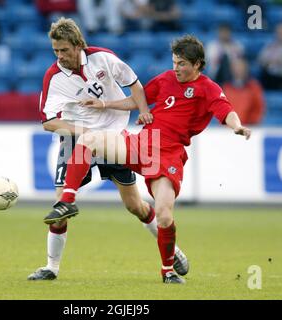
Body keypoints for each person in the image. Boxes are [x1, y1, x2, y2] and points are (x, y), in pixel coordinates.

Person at [44, 35, 252, 284]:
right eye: (174, 62)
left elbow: (225, 111)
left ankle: (168, 271)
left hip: (168, 156)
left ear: (198, 64)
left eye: (182, 63)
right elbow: (137, 99)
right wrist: (104, 103)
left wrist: (237, 126)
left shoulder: (208, 88)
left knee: (163, 214)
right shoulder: (166, 79)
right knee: (88, 140)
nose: (176, 68)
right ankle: (68, 201)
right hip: (143, 144)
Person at [27, 18, 189, 281]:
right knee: (59, 207)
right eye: (55, 50)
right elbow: (48, 122)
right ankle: (51, 267)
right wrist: (85, 132)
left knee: (135, 205)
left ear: (79, 45)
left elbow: (135, 84)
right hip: (76, 141)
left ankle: (174, 249)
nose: (60, 56)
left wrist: (145, 111)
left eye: (64, 50)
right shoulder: (53, 77)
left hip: (114, 137)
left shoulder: (103, 58)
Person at [223, 58, 265, 125]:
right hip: (228, 128)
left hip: (249, 127)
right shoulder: (226, 88)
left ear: (246, 69)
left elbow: (259, 108)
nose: (238, 70)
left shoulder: (254, 87)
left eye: (241, 67)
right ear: (231, 69)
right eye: (235, 67)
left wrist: (251, 124)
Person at [258, 22, 282, 90]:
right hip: (271, 76)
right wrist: (269, 62)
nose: (280, 34)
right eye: (279, 32)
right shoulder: (270, 46)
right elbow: (260, 60)